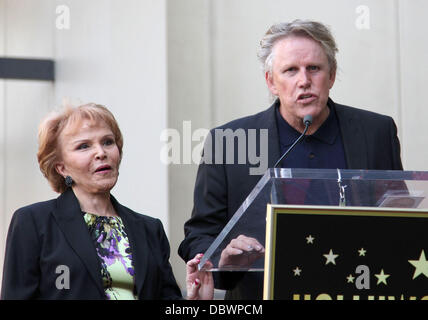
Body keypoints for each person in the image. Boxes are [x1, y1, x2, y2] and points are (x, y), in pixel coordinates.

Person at [178, 20, 403, 299]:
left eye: (314, 68)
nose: (304, 81)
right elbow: (199, 233)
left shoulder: (376, 132)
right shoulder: (229, 142)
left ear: (331, 75)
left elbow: (401, 218)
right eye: (290, 70)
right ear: (272, 81)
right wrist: (222, 257)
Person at [1, 103, 213, 300]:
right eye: (84, 146)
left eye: (108, 142)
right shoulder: (33, 222)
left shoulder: (150, 230)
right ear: (61, 167)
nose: (101, 153)